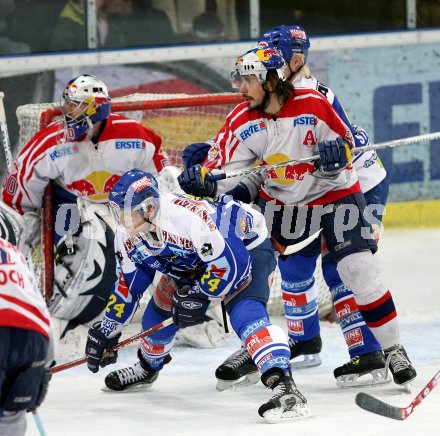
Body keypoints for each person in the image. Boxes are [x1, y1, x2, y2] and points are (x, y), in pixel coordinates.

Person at [177, 46, 417, 389]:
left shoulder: (317, 102)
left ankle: (393, 349)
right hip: (282, 203)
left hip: (334, 196)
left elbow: (349, 152)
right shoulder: (241, 120)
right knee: (248, 269)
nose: (240, 88)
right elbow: (228, 176)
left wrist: (336, 159)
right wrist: (204, 183)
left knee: (358, 268)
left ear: (271, 81)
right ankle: (259, 344)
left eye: (248, 80)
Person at [84, 169, 312, 423]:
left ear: (149, 209)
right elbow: (127, 286)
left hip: (245, 248)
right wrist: (107, 329)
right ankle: (147, 367)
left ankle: (284, 387)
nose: (121, 221)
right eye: (118, 213)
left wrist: (200, 294)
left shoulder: (188, 218)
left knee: (245, 315)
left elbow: (232, 264)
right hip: (193, 258)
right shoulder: (128, 235)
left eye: (126, 213)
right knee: (158, 313)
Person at [1, 73, 169, 332]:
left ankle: (186, 307)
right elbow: (22, 180)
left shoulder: (134, 135)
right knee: (75, 265)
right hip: (72, 207)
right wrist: (24, 218)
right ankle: (66, 322)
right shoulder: (53, 140)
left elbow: (161, 178)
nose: (66, 111)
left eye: (75, 104)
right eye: (66, 103)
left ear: (96, 108)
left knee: (163, 253)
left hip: (123, 209)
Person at [0, 201, 55, 436]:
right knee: (11, 416)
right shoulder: (15, 255)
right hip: (34, 339)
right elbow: (39, 310)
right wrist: (45, 369)